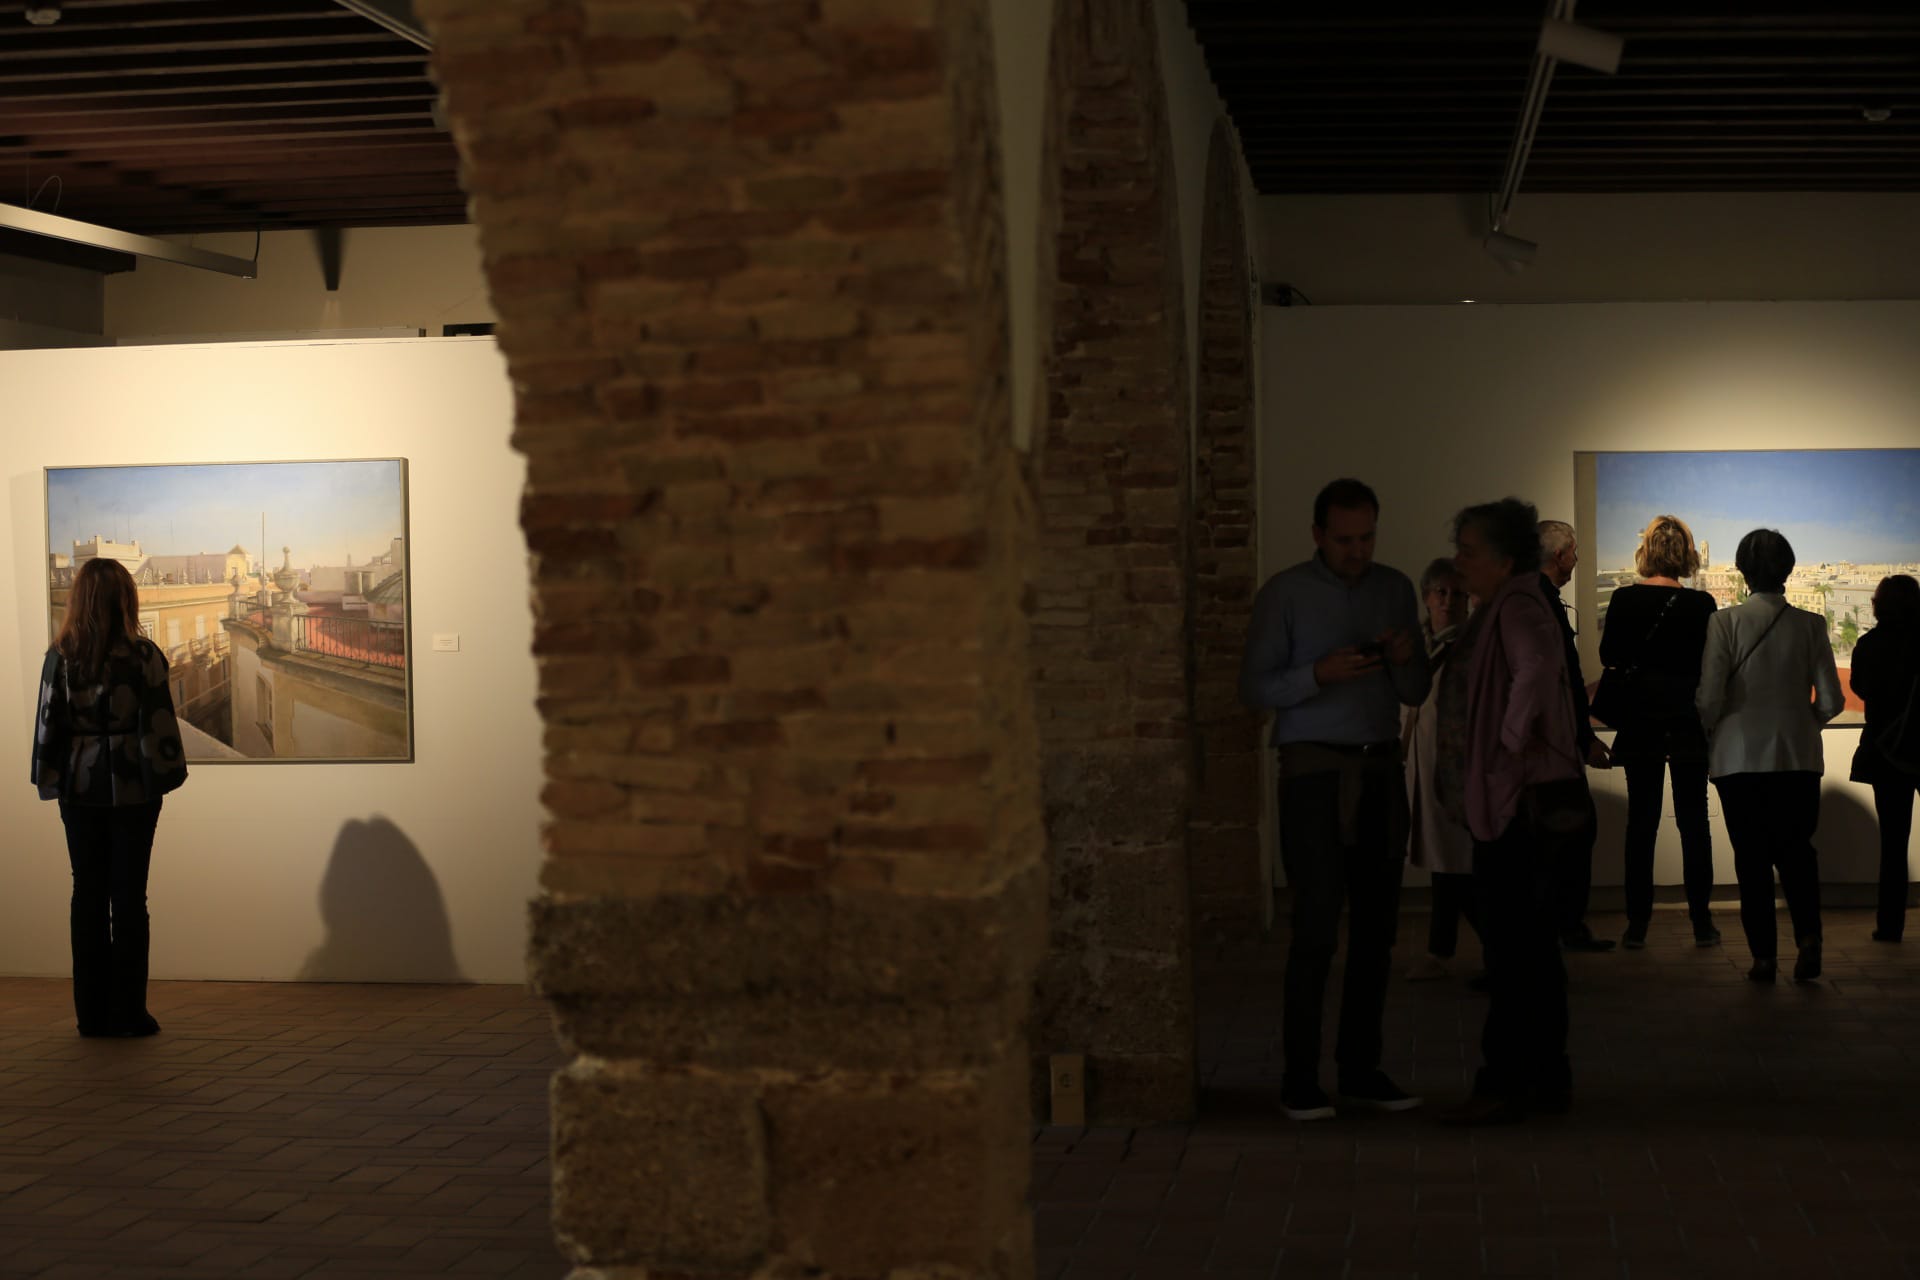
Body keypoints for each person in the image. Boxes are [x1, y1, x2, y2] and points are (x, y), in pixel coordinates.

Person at [1241, 478, 1430, 1121]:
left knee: (1377, 932)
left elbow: (1414, 691)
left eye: (1367, 537)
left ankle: (1360, 1069)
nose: (1358, 550)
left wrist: (1405, 658)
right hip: (1313, 779)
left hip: (1379, 771)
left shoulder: (1395, 588)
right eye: (1345, 539)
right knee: (1315, 931)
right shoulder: (1285, 594)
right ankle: (1299, 1077)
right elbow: (1254, 687)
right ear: (1317, 534)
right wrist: (1317, 674)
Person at [1441, 498, 1580, 1126]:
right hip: (1510, 798)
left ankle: (1509, 1080)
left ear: (1501, 558)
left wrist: (1506, 741)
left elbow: (1535, 666)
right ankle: (1541, 1081)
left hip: (1517, 803)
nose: (1460, 561)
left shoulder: (1518, 605)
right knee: (1525, 951)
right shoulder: (1505, 603)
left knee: (1515, 951)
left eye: (1469, 551)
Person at [29, 556, 188, 1037]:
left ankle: (91, 1014)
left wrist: (50, 779)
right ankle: (130, 1012)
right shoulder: (143, 655)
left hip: (78, 786)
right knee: (130, 898)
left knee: (87, 894)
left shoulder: (60, 656)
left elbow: (46, 726)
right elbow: (161, 726)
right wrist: (163, 778)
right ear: (126, 599)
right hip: (135, 787)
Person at [1697, 529, 1843, 984]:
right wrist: (1804, 724)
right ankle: (1809, 938)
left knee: (1751, 859)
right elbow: (1832, 700)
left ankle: (1763, 957)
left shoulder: (1724, 623)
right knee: (1798, 853)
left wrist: (1715, 730)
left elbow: (1708, 697)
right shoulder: (1811, 625)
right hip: (1797, 755)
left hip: (1738, 757)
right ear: (1789, 570)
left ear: (1742, 571)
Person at [1595, 515, 1720, 949]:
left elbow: (1609, 654)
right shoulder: (1702, 605)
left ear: (1646, 552)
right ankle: (1702, 921)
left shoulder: (1624, 599)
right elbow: (1710, 668)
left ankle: (1637, 925)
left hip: (1641, 720)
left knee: (1641, 824)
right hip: (1687, 722)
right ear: (1686, 555)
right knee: (1694, 823)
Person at [1536, 520, 1614, 953]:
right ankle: (1565, 927)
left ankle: (1562, 927)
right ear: (1559, 555)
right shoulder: (1542, 603)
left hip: (1554, 738)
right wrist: (1582, 736)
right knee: (1571, 835)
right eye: (1574, 551)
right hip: (1555, 742)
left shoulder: (1538, 600)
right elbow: (1559, 681)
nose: (1578, 559)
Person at [1402, 558, 1481, 981]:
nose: (1448, 601)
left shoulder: (1475, 647)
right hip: (1425, 764)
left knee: (1457, 864)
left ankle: (1480, 949)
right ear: (1427, 597)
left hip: (1459, 770)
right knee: (1446, 864)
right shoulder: (1419, 645)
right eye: (1440, 593)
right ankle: (1442, 949)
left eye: (1456, 593)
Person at [1848, 574, 1920, 942]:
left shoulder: (1869, 645)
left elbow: (1860, 688)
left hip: (1887, 753)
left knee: (1893, 843)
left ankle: (1890, 925)